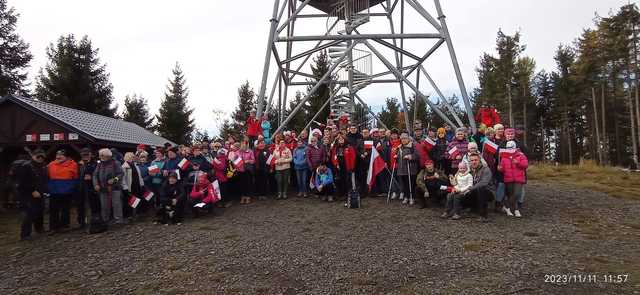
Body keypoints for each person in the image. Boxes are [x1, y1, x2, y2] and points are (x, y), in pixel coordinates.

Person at [14, 149, 47, 240]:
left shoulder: (43, 166)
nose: (40, 158)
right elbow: (22, 181)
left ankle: (39, 229)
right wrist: (32, 190)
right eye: (38, 156)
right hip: (28, 194)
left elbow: (43, 180)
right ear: (33, 156)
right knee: (29, 213)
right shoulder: (26, 166)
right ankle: (25, 234)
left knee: (40, 210)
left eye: (42, 156)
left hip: (40, 192)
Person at [47, 149, 79, 233]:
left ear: (66, 157)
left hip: (67, 191)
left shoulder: (73, 164)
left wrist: (72, 187)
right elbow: (46, 176)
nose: (58, 156)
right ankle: (53, 227)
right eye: (57, 155)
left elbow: (76, 177)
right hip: (54, 191)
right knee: (53, 210)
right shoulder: (51, 164)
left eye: (61, 155)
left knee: (65, 209)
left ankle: (64, 225)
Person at [93, 148, 125, 226]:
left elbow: (121, 174)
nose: (100, 157)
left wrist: (114, 179)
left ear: (107, 156)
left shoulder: (115, 163)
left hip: (114, 187)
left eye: (102, 155)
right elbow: (95, 175)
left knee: (116, 204)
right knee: (104, 205)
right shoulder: (99, 164)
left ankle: (118, 220)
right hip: (103, 188)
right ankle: (105, 220)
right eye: (100, 155)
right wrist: (96, 184)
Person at [497, 141, 529, 218]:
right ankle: (515, 210)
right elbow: (502, 169)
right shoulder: (504, 157)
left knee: (517, 194)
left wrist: (518, 162)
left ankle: (506, 206)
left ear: (515, 147)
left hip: (519, 178)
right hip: (508, 178)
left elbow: (525, 165)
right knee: (511, 194)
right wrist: (500, 168)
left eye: (511, 148)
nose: (510, 149)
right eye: (508, 148)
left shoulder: (521, 155)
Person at [465, 153, 494, 222]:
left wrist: (470, 188)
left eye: (476, 160)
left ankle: (483, 215)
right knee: (462, 195)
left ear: (479, 160)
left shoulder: (485, 169)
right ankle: (472, 209)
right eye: (472, 160)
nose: (474, 162)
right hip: (474, 190)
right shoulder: (469, 170)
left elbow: (483, 183)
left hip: (488, 191)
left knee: (480, 189)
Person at [395, 132, 420, 205]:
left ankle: (412, 197)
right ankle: (406, 196)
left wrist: (410, 156)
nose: (403, 140)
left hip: (411, 169)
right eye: (402, 139)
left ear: (408, 138)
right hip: (402, 170)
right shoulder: (399, 147)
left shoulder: (412, 146)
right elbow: (398, 157)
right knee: (405, 184)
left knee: (411, 184)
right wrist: (396, 157)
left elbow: (417, 155)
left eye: (405, 138)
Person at [76, 148, 97, 229]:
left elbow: (97, 174)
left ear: (90, 155)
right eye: (84, 155)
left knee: (91, 205)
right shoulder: (78, 164)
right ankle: (82, 222)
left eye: (87, 154)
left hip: (90, 188)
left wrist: (91, 177)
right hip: (80, 188)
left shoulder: (94, 164)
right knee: (81, 206)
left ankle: (92, 221)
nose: (85, 156)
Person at [122, 152, 145, 220]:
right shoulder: (124, 166)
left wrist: (142, 184)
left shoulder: (135, 165)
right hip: (130, 186)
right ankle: (130, 215)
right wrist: (125, 187)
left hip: (137, 185)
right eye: (132, 157)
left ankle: (136, 214)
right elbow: (123, 179)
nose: (134, 158)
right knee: (130, 201)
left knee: (137, 200)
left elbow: (139, 176)